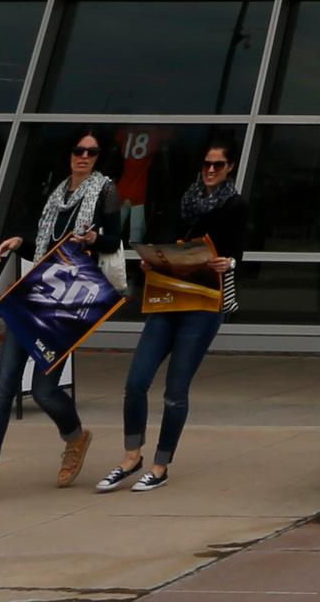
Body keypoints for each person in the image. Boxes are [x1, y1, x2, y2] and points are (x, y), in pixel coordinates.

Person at [0, 131, 113, 508]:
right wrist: (18, 242)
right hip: (35, 294)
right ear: (69, 154)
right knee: (4, 385)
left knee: (43, 391)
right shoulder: (57, 195)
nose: (83, 156)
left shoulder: (106, 191)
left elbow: (116, 240)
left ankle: (75, 438)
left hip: (68, 301)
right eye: (78, 150)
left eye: (91, 152)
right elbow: (47, 239)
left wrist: (92, 239)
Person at [97, 140, 245, 492]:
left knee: (176, 390)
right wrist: (152, 258)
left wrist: (230, 262)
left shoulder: (235, 204)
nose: (210, 170)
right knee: (136, 381)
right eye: (207, 164)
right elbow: (163, 238)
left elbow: (238, 249)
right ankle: (131, 457)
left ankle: (160, 465)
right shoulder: (185, 199)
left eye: (218, 165)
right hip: (169, 296)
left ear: (230, 168)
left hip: (204, 302)